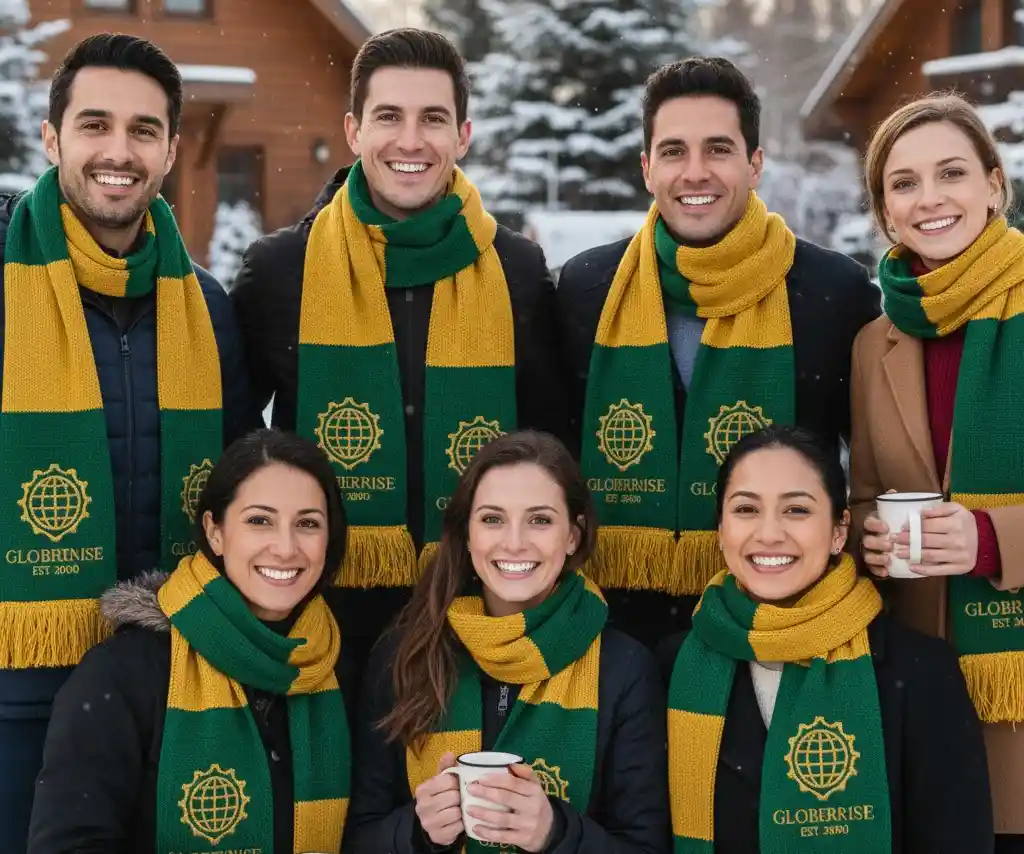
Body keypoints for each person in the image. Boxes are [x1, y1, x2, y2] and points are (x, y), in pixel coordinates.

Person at [232, 28, 570, 682]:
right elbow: (236, 447)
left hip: (483, 610)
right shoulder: (283, 272)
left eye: (432, 119)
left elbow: (553, 442)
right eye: (389, 117)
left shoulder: (517, 271)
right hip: (320, 618)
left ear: (462, 136)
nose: (410, 141)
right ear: (355, 131)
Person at [0, 33, 255, 853]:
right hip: (17, 692)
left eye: (144, 130)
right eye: (95, 125)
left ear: (172, 148)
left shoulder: (207, 309)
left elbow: (239, 490)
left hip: (172, 680)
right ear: (52, 138)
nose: (119, 151)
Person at [555, 56, 880, 650]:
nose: (695, 172)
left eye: (719, 149)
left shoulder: (835, 293)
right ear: (647, 167)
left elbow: (873, 467)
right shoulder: (586, 288)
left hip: (781, 624)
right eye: (674, 151)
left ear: (755, 164)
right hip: (614, 630)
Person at [658, 425, 992, 853]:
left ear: (839, 531)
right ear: (721, 530)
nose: (769, 533)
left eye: (796, 510)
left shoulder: (923, 671)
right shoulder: (671, 667)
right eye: (746, 510)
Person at [27, 429, 352, 854]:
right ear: (214, 532)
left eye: (307, 523)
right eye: (260, 520)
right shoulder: (125, 672)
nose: (286, 547)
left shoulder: (338, 666)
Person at [343, 431, 669, 854]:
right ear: (466, 534)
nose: (514, 542)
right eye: (493, 519)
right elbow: (358, 841)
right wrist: (418, 832)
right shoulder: (403, 654)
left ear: (573, 535)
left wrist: (555, 833)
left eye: (540, 520)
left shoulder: (624, 667)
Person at [850, 93, 1024, 851]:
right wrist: (868, 539)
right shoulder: (873, 342)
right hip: (922, 690)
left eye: (951, 173)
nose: (930, 200)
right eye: (904, 183)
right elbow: (861, 497)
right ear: (885, 213)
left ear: (995, 184)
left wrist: (992, 541)